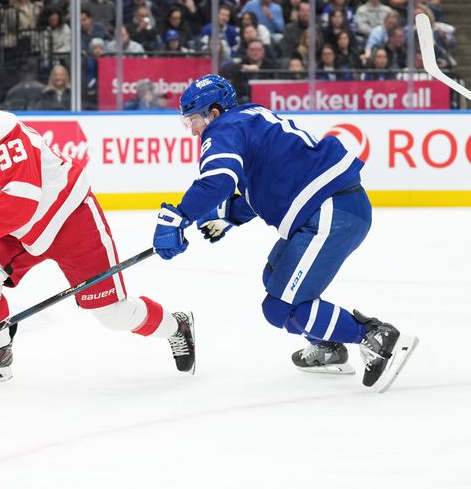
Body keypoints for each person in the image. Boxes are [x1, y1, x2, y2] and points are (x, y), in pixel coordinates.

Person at [0, 72, 195, 386]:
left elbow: (22, 196)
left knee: (113, 314)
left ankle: (175, 326)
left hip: (69, 220)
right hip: (16, 231)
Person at [152, 74, 418, 392]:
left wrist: (178, 216)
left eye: (194, 120)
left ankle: (375, 336)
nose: (194, 129)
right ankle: (328, 347)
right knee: (274, 274)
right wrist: (229, 215)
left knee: (279, 308)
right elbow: (269, 184)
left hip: (330, 213)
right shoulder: (252, 119)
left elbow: (219, 180)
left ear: (214, 113)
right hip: (333, 208)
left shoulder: (223, 128)